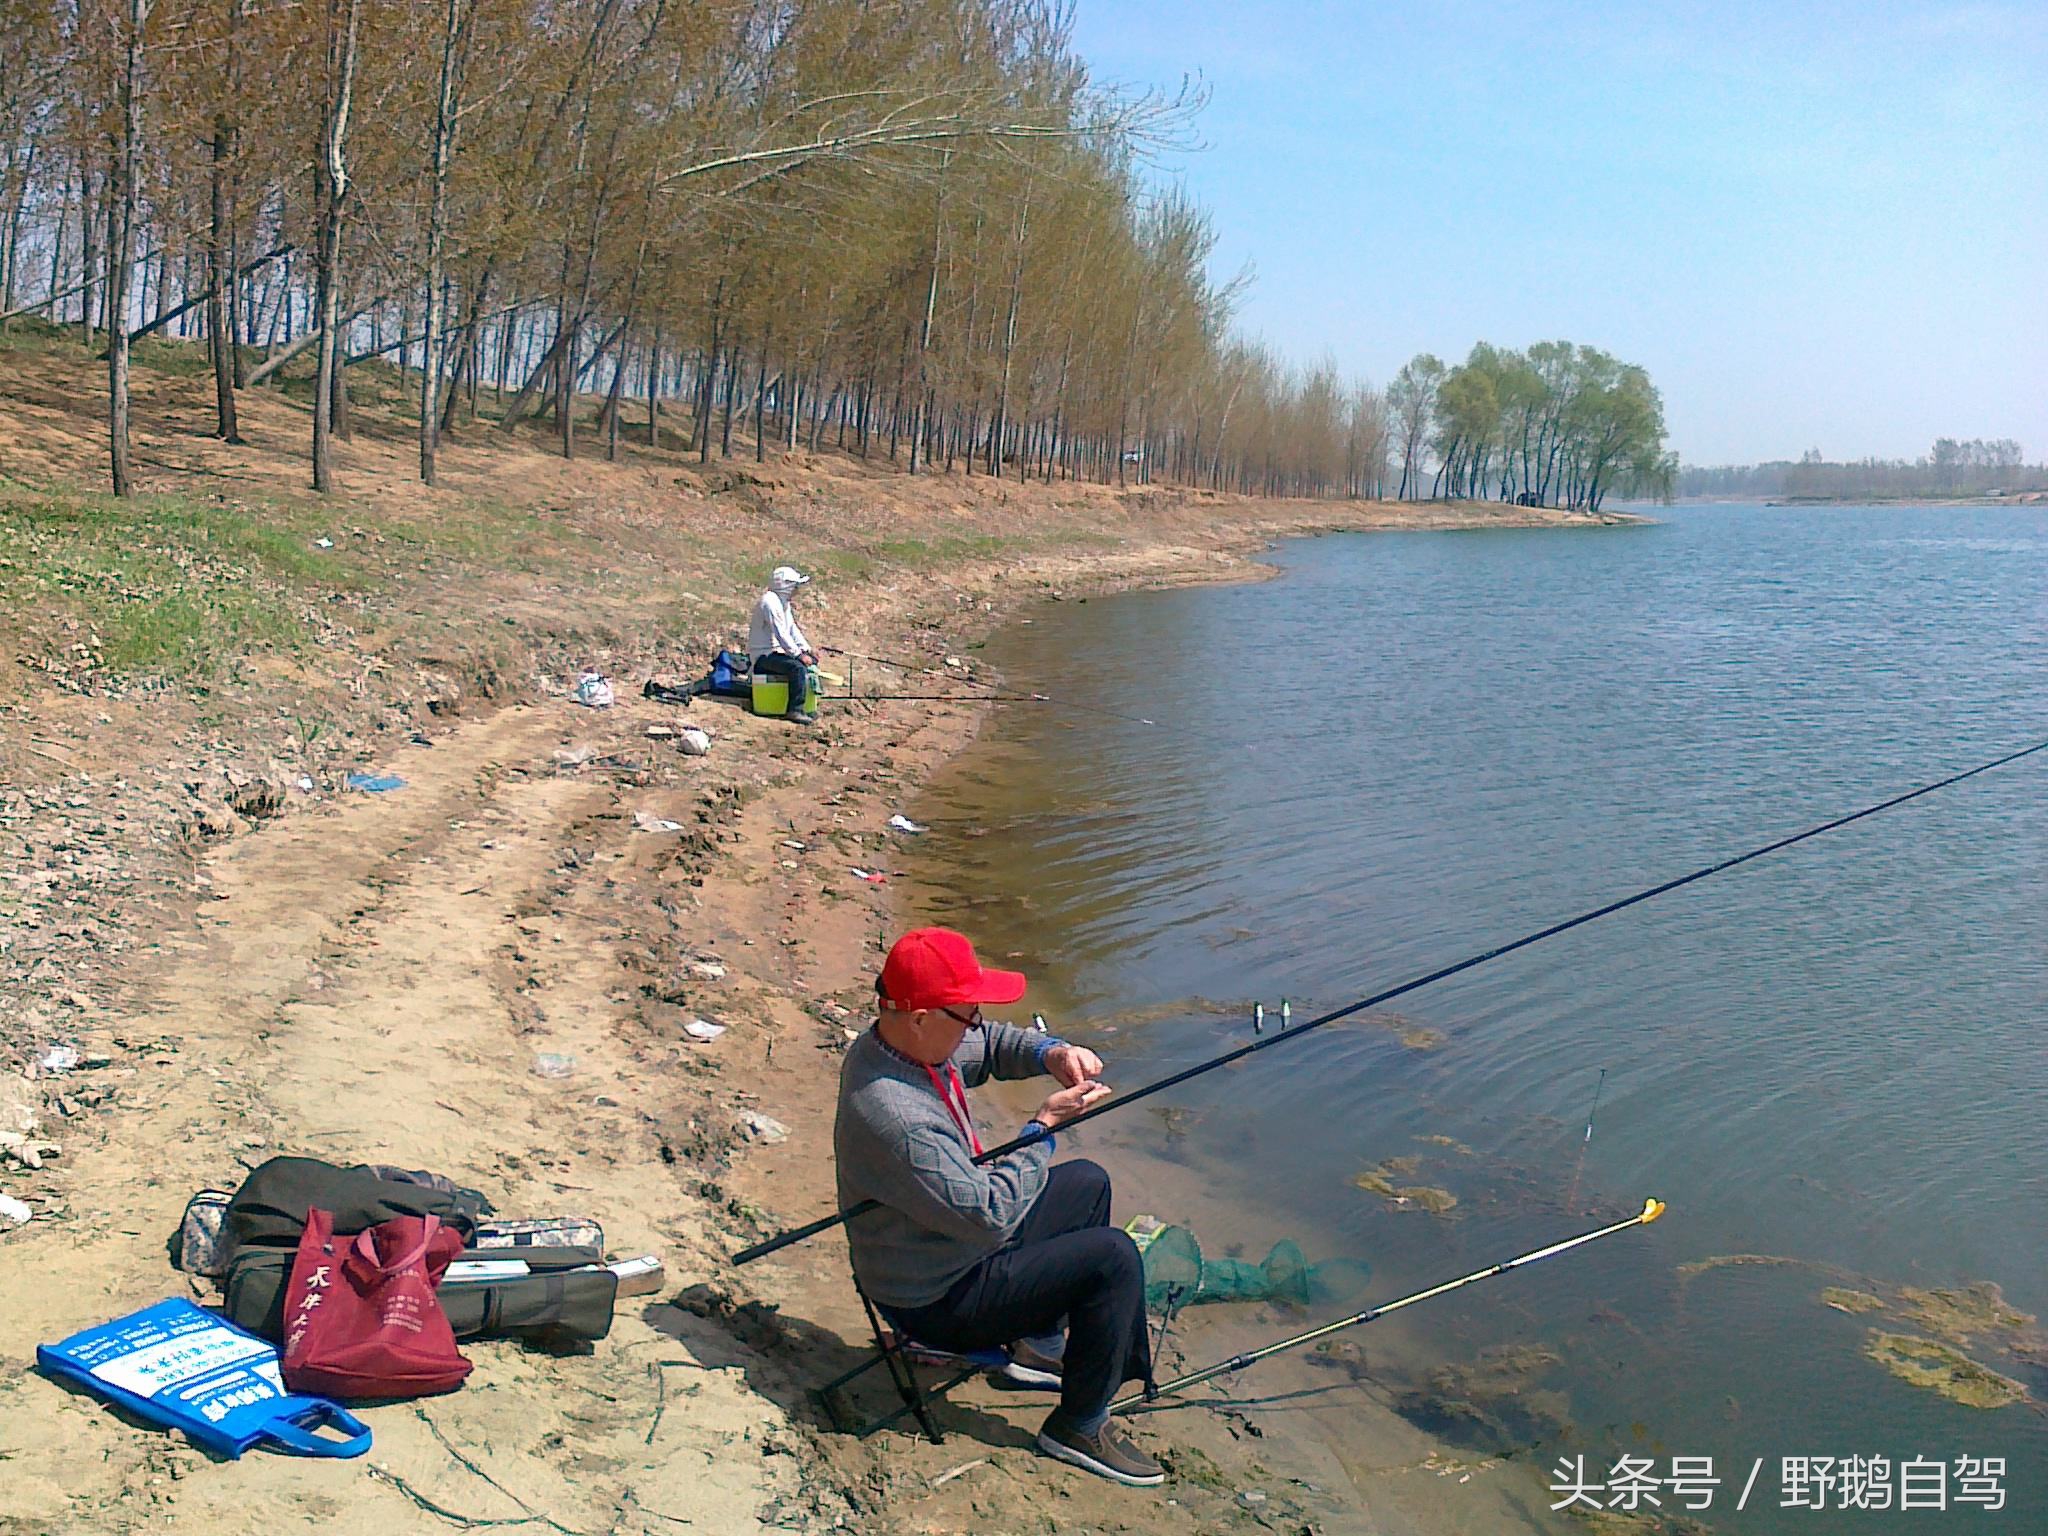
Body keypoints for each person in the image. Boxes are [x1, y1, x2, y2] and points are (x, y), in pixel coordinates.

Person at [834, 927, 1162, 1487]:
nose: (977, 1023)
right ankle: (1078, 1425)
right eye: (969, 1012)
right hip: (935, 1297)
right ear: (920, 1017)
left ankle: (1036, 1349)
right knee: (1112, 1256)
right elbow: (991, 1216)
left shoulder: (905, 1041)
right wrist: (1043, 1128)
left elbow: (988, 1045)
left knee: (1087, 1181)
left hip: (949, 1246)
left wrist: (1050, 1052)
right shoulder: (896, 1115)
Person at [748, 565, 819, 724]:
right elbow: (781, 633)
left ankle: (806, 706)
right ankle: (795, 710)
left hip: (776, 653)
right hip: (763, 657)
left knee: (808, 664)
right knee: (797, 667)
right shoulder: (769, 602)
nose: (797, 590)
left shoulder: (783, 603)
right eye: (795, 586)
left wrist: (807, 649)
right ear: (786, 586)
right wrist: (798, 655)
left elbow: (792, 629)